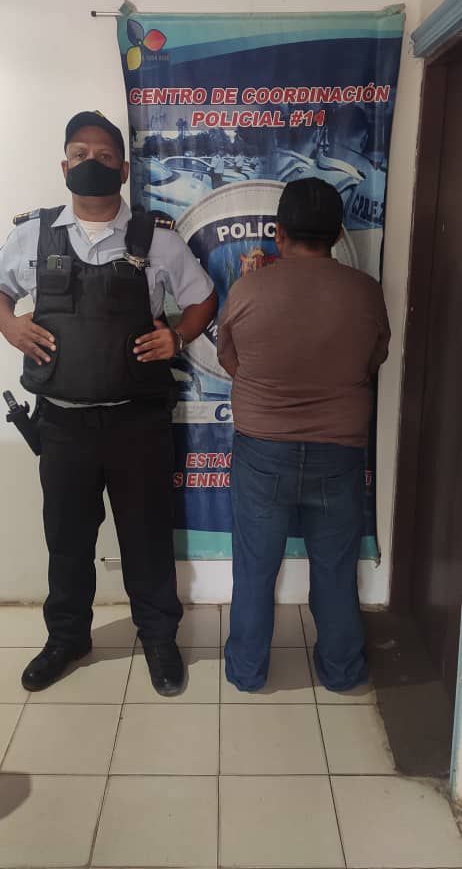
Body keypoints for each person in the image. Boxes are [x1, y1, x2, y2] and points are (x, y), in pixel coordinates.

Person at [0, 111, 217, 696]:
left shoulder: (157, 238)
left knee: (146, 537)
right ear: (63, 164)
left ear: (123, 169)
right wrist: (9, 325)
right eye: (79, 153)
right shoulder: (32, 236)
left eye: (103, 155)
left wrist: (179, 337)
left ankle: (159, 638)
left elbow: (203, 298)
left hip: (136, 422)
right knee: (66, 539)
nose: (90, 162)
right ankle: (67, 637)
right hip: (62, 425)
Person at [217, 177, 390, 693]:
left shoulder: (248, 290)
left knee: (254, 570)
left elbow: (231, 360)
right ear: (337, 234)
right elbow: (373, 359)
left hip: (262, 451)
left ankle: (248, 672)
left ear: (279, 232)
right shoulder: (365, 292)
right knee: (335, 570)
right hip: (339, 452)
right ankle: (342, 672)